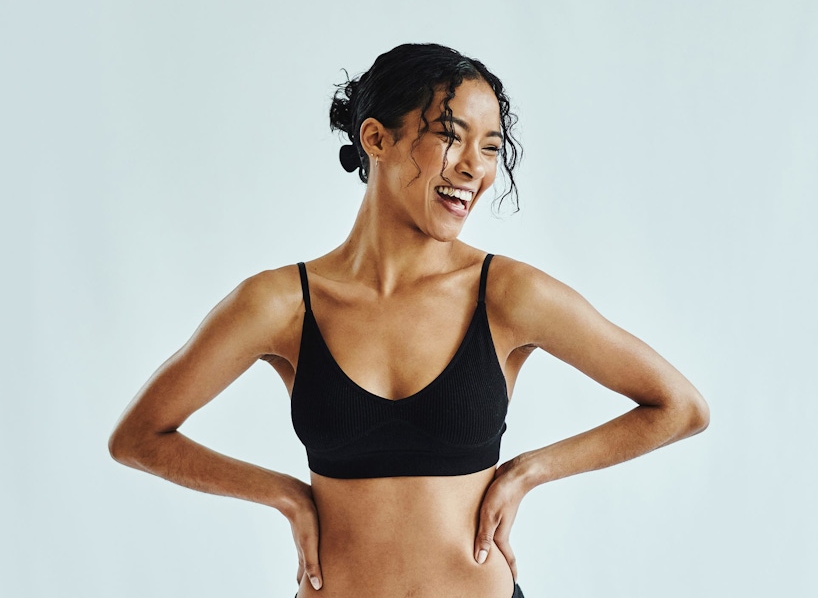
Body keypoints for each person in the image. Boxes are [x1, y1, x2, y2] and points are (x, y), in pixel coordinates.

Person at [109, 43, 709, 598]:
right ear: (375, 138)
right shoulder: (282, 303)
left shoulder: (505, 294)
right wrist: (286, 496)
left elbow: (678, 406)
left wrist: (527, 471)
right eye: (451, 136)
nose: (475, 167)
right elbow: (139, 437)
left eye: (492, 146)